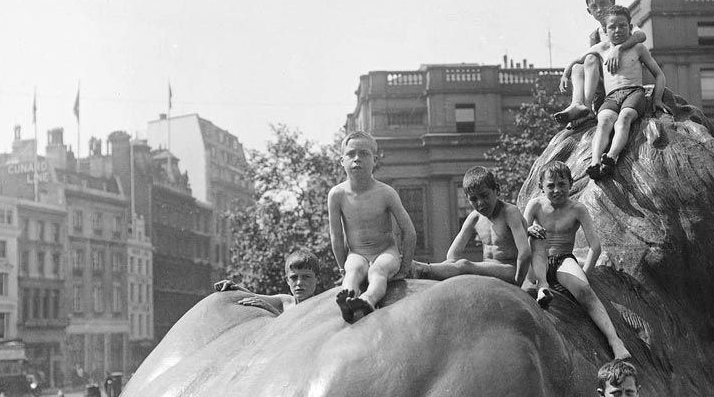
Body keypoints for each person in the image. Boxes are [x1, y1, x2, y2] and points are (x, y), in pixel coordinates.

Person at [523, 161, 630, 360]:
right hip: (538, 260)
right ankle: (542, 286)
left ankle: (615, 340)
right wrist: (528, 230)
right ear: (541, 187)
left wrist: (585, 276)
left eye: (562, 184)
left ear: (571, 183)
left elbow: (595, 246)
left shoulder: (577, 209)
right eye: (551, 185)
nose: (557, 190)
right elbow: (520, 237)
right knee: (536, 237)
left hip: (563, 259)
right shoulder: (535, 205)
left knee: (586, 293)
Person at [329, 131, 416, 323]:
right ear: (342, 160)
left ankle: (368, 299)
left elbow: (408, 230)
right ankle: (348, 300)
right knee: (353, 271)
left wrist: (404, 266)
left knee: (378, 271)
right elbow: (336, 236)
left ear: (375, 160)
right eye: (351, 154)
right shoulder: (337, 194)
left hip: (385, 251)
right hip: (357, 253)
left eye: (364, 154)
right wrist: (342, 266)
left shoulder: (386, 193)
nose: (357, 159)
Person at [582, 5, 668, 180]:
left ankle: (611, 156)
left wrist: (657, 99)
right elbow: (580, 60)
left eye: (622, 26)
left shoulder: (638, 48)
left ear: (630, 26)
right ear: (605, 30)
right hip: (612, 96)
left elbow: (659, 74)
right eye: (612, 27)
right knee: (604, 121)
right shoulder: (601, 48)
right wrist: (568, 70)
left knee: (625, 118)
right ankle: (595, 162)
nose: (618, 30)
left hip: (633, 92)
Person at [410, 166, 531, 286]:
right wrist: (450, 266)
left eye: (484, 195)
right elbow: (453, 253)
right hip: (486, 269)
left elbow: (524, 253)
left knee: (464, 265)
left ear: (497, 190)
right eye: (473, 199)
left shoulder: (510, 212)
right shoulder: (475, 217)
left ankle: (422, 270)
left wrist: (518, 283)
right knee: (454, 265)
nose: (480, 203)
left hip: (510, 270)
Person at [555, 0, 648, 129]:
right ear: (589, 11)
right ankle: (579, 105)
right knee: (579, 66)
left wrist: (618, 48)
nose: (599, 9)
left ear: (613, 2)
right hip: (603, 79)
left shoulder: (622, 26)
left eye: (603, 4)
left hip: (624, 81)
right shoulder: (595, 36)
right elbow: (587, 60)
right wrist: (566, 73)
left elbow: (641, 35)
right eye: (594, 6)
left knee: (590, 59)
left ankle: (584, 108)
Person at [216, 248, 321, 314]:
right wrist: (234, 287)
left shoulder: (320, 306)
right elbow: (253, 297)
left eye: (306, 277)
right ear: (287, 280)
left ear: (317, 279)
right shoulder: (285, 301)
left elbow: (296, 329)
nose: (299, 283)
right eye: (294, 277)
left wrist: (270, 309)